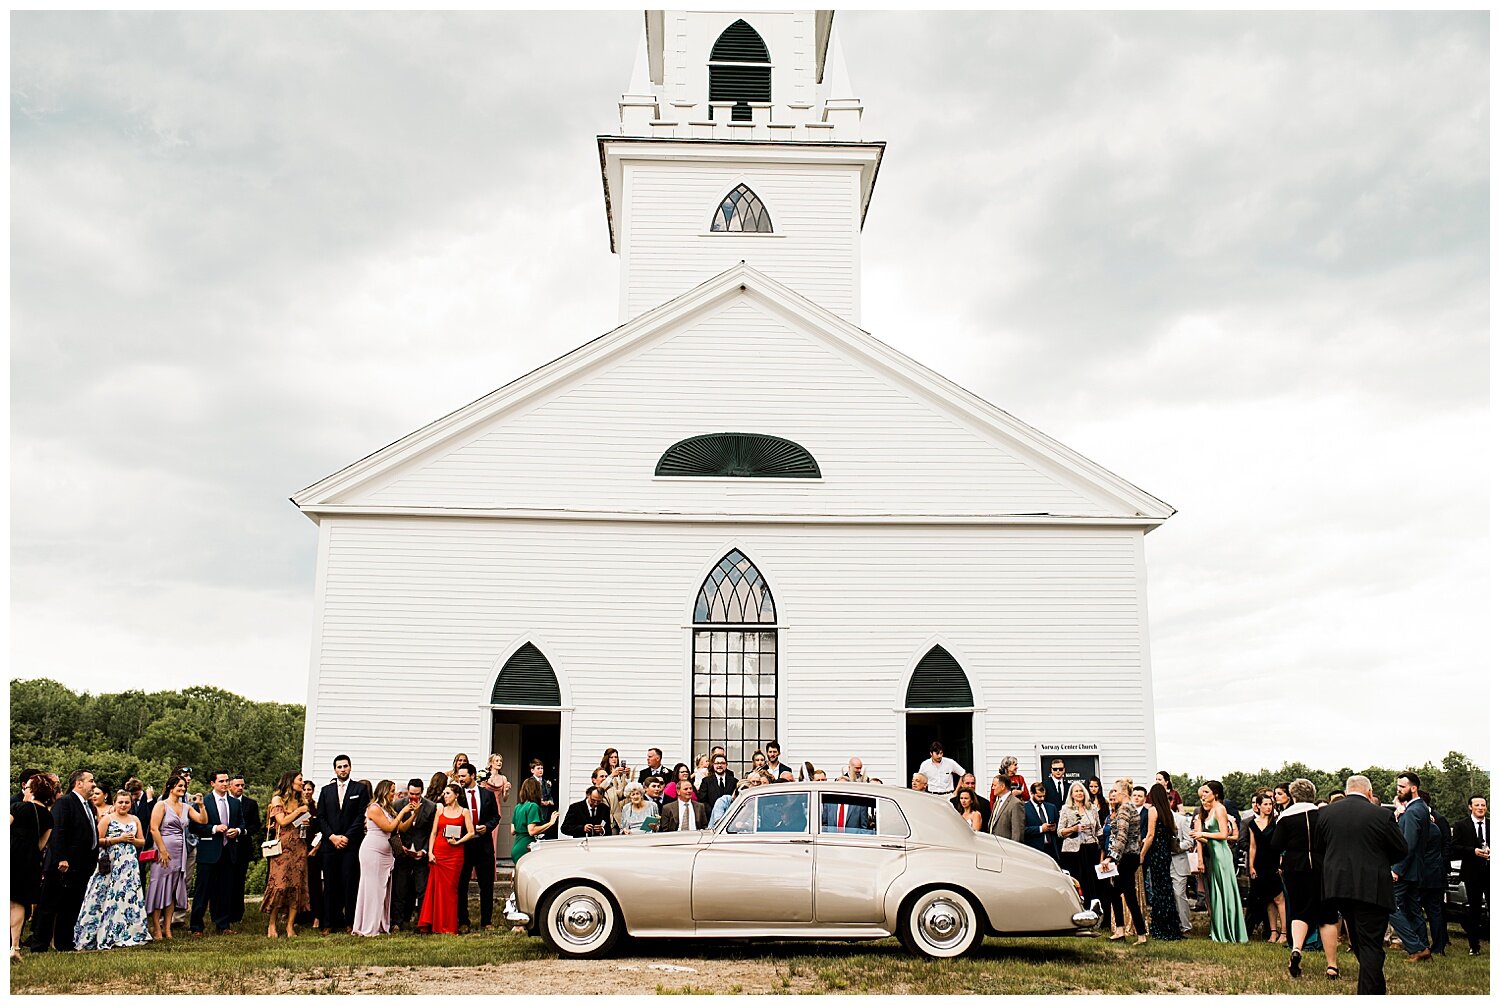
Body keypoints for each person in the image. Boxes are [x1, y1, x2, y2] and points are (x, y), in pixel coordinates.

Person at [1315, 774, 1409, 994]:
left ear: (1346, 791)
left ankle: (1376, 990)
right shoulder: (1382, 815)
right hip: (1371, 887)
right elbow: (1401, 849)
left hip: (1338, 886)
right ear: (1369, 792)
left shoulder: (1326, 813)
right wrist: (1379, 861)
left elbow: (1320, 848)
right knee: (1370, 944)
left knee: (1359, 941)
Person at [1271, 778, 1340, 980]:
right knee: (1327, 916)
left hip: (1295, 868)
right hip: (1322, 868)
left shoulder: (1285, 817)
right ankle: (1331, 965)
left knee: (1300, 911)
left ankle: (1297, 949)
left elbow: (1276, 845)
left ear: (1293, 796)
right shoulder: (1323, 815)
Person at [29, 768, 99, 952]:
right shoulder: (65, 803)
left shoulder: (89, 805)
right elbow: (58, 831)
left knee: (71, 905)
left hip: (82, 865)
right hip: (63, 865)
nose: (94, 784)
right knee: (50, 904)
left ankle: (64, 943)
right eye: (91, 781)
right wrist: (61, 857)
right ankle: (39, 945)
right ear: (79, 783)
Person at [71, 789, 150, 950]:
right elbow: (96, 840)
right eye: (120, 802)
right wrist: (117, 839)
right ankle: (98, 931)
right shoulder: (107, 819)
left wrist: (133, 840)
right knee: (105, 894)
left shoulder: (135, 819)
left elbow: (143, 842)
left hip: (129, 863)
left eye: (127, 802)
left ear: (131, 804)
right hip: (110, 862)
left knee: (127, 895)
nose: (123, 805)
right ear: (114, 803)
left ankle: (128, 931)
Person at [351, 780, 414, 936]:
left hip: (386, 852)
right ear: (384, 791)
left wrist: (414, 814)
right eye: (391, 791)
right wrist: (403, 811)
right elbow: (389, 828)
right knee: (372, 889)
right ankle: (367, 925)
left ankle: (379, 923)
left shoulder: (388, 809)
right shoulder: (374, 808)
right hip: (372, 851)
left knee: (383, 890)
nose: (394, 794)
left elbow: (401, 828)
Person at [315, 755, 369, 933]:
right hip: (330, 845)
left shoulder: (359, 789)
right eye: (339, 767)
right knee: (330, 884)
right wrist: (332, 836)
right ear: (335, 770)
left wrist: (346, 837)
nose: (342, 769)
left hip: (350, 844)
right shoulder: (326, 790)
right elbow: (321, 817)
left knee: (349, 883)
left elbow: (361, 815)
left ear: (350, 768)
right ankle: (329, 923)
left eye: (345, 766)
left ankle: (350, 922)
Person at [145, 772, 201, 941]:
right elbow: (154, 828)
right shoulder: (161, 805)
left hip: (180, 851)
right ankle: (156, 928)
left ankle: (167, 928)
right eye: (179, 786)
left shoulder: (186, 807)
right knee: (159, 888)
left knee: (172, 890)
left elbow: (202, 820)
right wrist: (162, 850)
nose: (183, 789)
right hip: (163, 850)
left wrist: (202, 806)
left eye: (184, 786)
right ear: (171, 787)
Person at [188, 769, 243, 936]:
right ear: (212, 783)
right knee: (203, 890)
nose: (225, 784)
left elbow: (242, 822)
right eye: (221, 781)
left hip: (228, 850)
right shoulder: (204, 802)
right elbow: (194, 827)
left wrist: (238, 831)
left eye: (227, 781)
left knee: (225, 889)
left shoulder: (234, 803)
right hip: (209, 851)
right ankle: (196, 926)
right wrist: (214, 828)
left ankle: (223, 924)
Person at [1192, 779, 1247, 944]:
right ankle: (1219, 929)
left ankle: (1230, 931)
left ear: (1215, 794)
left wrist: (1203, 835)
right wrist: (1199, 837)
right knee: (1216, 892)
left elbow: (1223, 835)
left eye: (1207, 792)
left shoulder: (1220, 809)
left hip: (1222, 855)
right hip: (1213, 853)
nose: (1204, 794)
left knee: (1225, 890)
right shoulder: (1209, 811)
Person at [1388, 771, 1436, 960]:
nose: (1398, 790)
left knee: (1390, 907)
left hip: (1405, 870)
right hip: (1415, 870)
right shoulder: (1422, 808)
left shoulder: (1414, 811)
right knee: (1413, 909)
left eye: (1402, 787)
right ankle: (1423, 946)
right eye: (1398, 786)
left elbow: (1408, 844)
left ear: (1413, 788)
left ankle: (1416, 948)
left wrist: (1396, 869)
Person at [261, 770, 312, 939]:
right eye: (300, 780)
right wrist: (298, 812)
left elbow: (295, 824)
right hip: (282, 848)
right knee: (280, 885)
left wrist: (304, 820)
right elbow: (282, 821)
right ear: (290, 781)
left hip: (299, 846)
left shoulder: (300, 800)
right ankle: (272, 924)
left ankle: (290, 926)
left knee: (296, 886)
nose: (302, 783)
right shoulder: (278, 800)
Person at [417, 784, 473, 935]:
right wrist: (430, 852)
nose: (444, 796)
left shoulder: (464, 812)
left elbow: (471, 832)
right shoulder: (440, 810)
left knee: (450, 890)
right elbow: (434, 832)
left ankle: (448, 924)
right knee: (435, 888)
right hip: (439, 852)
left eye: (448, 793)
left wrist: (458, 841)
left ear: (456, 795)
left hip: (455, 854)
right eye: (444, 793)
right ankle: (432, 923)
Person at [10, 773, 55, 961]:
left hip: (11, 853)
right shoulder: (48, 816)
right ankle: (15, 946)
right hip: (30, 860)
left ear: (32, 791)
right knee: (20, 903)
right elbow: (41, 844)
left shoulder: (18, 807)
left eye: (27, 788)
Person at [453, 763, 500, 932]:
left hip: (484, 846)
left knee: (486, 885)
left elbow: (496, 816)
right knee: (462, 885)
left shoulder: (487, 794)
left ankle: (486, 921)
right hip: (464, 846)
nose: (460, 779)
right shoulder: (457, 796)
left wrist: (487, 826)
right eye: (459, 776)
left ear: (473, 775)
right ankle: (463, 921)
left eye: (463, 776)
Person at [1102, 778, 1146, 944]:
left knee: (1126, 894)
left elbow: (1122, 835)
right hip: (1131, 855)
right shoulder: (1130, 808)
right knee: (1120, 893)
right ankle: (1124, 931)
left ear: (1122, 792)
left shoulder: (1124, 809)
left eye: (1114, 790)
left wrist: (1111, 856)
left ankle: (1137, 933)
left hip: (1126, 856)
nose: (1113, 793)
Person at [391, 779, 437, 931]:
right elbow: (394, 830)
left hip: (420, 853)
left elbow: (431, 832)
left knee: (422, 889)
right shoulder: (398, 805)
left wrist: (423, 851)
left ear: (422, 792)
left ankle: (422, 923)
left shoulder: (431, 807)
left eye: (417, 794)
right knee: (399, 888)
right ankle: (397, 922)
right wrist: (401, 847)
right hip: (403, 853)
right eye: (411, 794)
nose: (413, 797)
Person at [1140, 783, 1182, 941]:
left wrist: (1142, 853)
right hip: (1166, 853)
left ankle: (1160, 928)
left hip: (1156, 853)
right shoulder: (1168, 812)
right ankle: (1171, 927)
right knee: (1166, 889)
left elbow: (1150, 835)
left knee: (1158, 890)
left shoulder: (1153, 810)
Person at [1450, 794, 1489, 956]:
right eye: (1477, 805)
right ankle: (1474, 945)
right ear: (1470, 807)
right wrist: (1472, 851)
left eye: (1483, 805)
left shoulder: (1492, 825)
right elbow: (1454, 847)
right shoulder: (1461, 825)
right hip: (1472, 873)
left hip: (1490, 872)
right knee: (1473, 910)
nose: (1480, 808)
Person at [1246, 790, 1286, 942]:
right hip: (1259, 863)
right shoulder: (1252, 824)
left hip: (1273, 862)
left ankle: (1284, 933)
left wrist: (1281, 864)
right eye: (1265, 804)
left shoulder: (1276, 822)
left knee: (1278, 898)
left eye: (1270, 804)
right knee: (1267, 899)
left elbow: (1282, 844)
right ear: (1258, 806)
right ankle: (1273, 932)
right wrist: (1251, 866)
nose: (1269, 807)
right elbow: (1252, 846)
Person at [1058, 781, 1101, 914]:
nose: (1079, 793)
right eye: (1076, 791)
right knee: (1078, 880)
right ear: (1071, 794)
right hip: (1073, 851)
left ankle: (1094, 909)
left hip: (1091, 848)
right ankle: (1078, 909)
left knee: (1092, 880)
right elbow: (1060, 832)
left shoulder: (1092, 808)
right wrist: (1074, 829)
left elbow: (1098, 829)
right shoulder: (1066, 809)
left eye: (1081, 791)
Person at [226, 774, 260, 929]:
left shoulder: (250, 804)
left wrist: (242, 831)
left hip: (242, 846)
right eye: (237, 785)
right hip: (225, 847)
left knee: (239, 881)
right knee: (225, 880)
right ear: (229, 786)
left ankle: (237, 913)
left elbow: (256, 825)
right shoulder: (224, 803)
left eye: (242, 785)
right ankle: (223, 911)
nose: (240, 788)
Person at [510, 777, 558, 861]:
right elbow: (532, 831)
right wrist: (550, 823)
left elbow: (513, 831)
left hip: (516, 847)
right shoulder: (533, 806)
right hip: (526, 848)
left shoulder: (518, 807)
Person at [1168, 801, 1197, 936]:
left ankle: (1185, 926)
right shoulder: (1155, 819)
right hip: (1162, 862)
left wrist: (1177, 847)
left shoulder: (1181, 819)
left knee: (1179, 894)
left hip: (1178, 861)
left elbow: (1189, 841)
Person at [299, 779, 323, 930]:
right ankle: (300, 915)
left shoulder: (317, 807)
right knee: (300, 883)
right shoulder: (298, 807)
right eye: (304, 789)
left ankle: (317, 916)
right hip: (299, 847)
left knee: (314, 883)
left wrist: (315, 849)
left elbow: (322, 828)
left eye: (309, 789)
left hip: (314, 848)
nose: (307, 792)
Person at [480, 754, 511, 861]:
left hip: (496, 808)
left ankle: (490, 869)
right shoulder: (484, 776)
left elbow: (505, 798)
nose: (499, 763)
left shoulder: (503, 778)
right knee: (482, 837)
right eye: (497, 760)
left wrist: (506, 791)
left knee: (493, 838)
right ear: (491, 763)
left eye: (500, 761)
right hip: (484, 808)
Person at [1024, 782, 1060, 860]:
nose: (1042, 799)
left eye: (1044, 796)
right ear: (1032, 793)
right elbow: (1022, 830)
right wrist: (1040, 829)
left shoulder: (1051, 807)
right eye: (1039, 796)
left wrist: (1055, 828)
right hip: (1034, 850)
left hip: (1051, 849)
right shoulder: (1024, 808)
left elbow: (1059, 825)